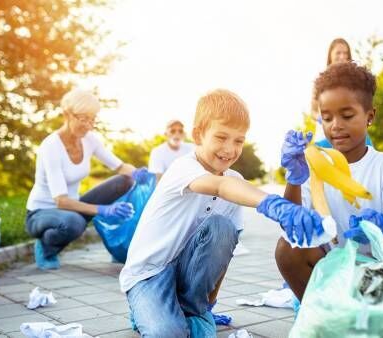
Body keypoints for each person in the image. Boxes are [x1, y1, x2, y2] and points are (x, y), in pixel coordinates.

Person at [120, 89, 325, 336]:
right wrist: (272, 203)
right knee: (168, 333)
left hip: (187, 274)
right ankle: (145, 310)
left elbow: (224, 252)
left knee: (222, 228)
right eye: (221, 137)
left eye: (239, 140)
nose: (230, 149)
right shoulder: (183, 167)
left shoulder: (234, 179)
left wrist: (209, 303)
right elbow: (221, 186)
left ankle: (191, 307)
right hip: (149, 274)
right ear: (198, 135)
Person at [276, 63, 383, 302]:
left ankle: (366, 314)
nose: (335, 125)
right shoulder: (313, 166)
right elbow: (291, 228)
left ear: (370, 116)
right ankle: (320, 313)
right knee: (286, 249)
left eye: (347, 115)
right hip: (330, 268)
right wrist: (293, 179)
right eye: (327, 117)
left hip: (376, 272)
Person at [25, 89, 152, 270]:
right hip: (41, 213)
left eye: (92, 119)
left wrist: (136, 173)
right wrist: (103, 210)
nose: (88, 125)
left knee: (124, 181)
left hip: (72, 207)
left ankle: (117, 244)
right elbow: (60, 200)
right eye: (83, 118)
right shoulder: (51, 147)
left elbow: (119, 167)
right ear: (66, 114)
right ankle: (46, 247)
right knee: (74, 223)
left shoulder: (89, 140)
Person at [310, 38, 372, 149]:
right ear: (330, 56)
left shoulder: (355, 80)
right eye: (338, 53)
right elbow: (313, 111)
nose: (342, 56)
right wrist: (323, 118)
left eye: (345, 53)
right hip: (326, 134)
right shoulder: (320, 82)